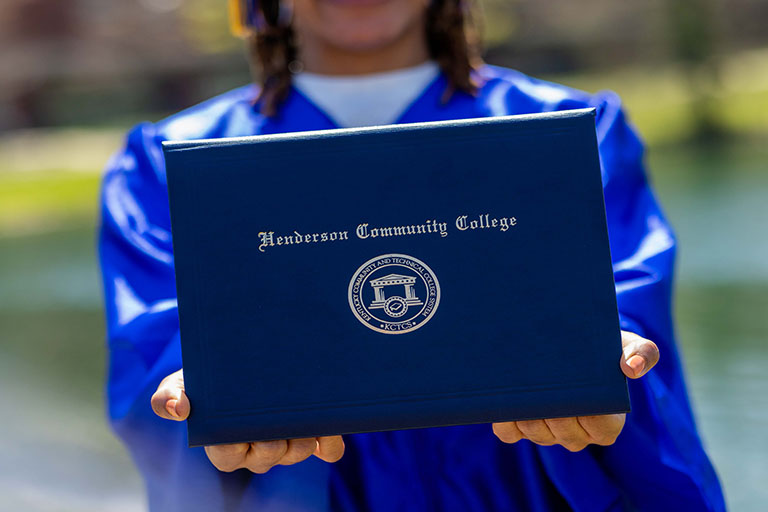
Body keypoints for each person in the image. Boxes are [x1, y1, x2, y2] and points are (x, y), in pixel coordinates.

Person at [98, 0, 726, 510]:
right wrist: (208, 400)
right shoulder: (170, 163)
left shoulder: (568, 130)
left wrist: (606, 366)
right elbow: (152, 358)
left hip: (528, 490)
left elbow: (630, 310)